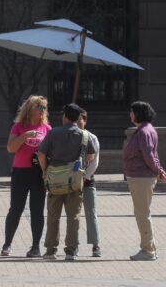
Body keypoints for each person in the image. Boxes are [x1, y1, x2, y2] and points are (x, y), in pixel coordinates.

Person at [38, 103, 96, 261]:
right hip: (74, 181)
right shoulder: (84, 135)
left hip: (55, 180)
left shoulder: (53, 133)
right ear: (78, 118)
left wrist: (44, 170)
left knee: (53, 215)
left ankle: (51, 250)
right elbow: (90, 156)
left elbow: (41, 153)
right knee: (73, 216)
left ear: (64, 116)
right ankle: (71, 250)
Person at [0, 95, 52, 258]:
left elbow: (51, 151)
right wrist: (25, 136)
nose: (42, 111)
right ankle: (7, 244)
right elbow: (10, 148)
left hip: (39, 173)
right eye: (39, 107)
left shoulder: (47, 128)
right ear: (30, 109)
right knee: (16, 208)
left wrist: (47, 170)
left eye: (44, 108)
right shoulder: (18, 127)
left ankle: (35, 246)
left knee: (37, 210)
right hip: (20, 172)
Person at [124, 100, 166, 261]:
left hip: (141, 177)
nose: (130, 114)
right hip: (141, 177)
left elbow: (149, 155)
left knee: (142, 214)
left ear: (138, 113)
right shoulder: (146, 130)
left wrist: (158, 170)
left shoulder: (143, 132)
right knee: (142, 212)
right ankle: (149, 247)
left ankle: (148, 250)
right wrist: (159, 169)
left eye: (132, 111)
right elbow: (152, 155)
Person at [77, 110, 102, 257]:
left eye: (80, 119)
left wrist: (84, 177)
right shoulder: (70, 136)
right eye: (75, 119)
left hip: (87, 181)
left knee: (91, 212)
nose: (77, 122)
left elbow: (94, 162)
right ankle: (73, 245)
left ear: (85, 121)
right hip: (70, 181)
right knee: (73, 214)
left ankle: (95, 244)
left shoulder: (92, 138)